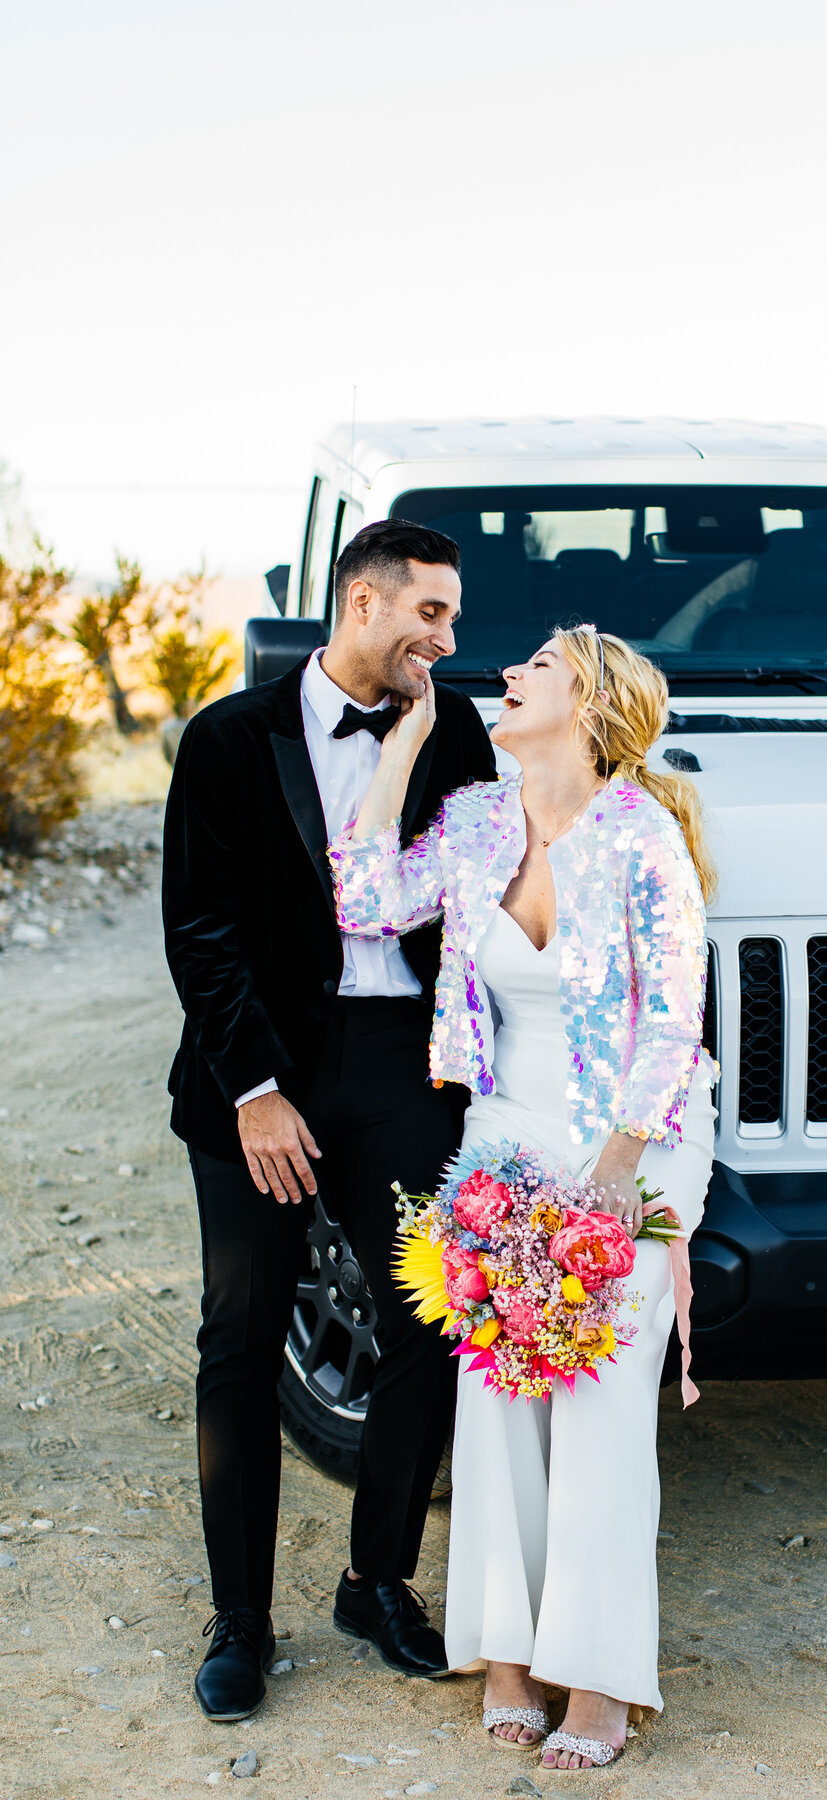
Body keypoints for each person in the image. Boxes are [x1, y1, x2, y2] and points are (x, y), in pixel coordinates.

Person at [328, 624, 717, 1772]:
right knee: (498, 1405)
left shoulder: (646, 839)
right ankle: (506, 1660)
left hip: (630, 1143)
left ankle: (597, 1681)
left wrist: (608, 1185)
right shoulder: (480, 821)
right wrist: (397, 752)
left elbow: (675, 1024)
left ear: (589, 705)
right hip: (503, 1137)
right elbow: (363, 899)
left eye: (536, 666)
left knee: (597, 1410)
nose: (505, 673)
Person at [161, 519, 496, 1722]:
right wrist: (254, 1092)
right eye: (432, 614)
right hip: (265, 1071)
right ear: (364, 603)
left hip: (407, 1065)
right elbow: (199, 929)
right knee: (243, 1335)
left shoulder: (456, 732)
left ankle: (377, 1579)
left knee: (431, 1315)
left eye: (452, 618)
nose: (447, 638)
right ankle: (241, 1620)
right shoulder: (229, 737)